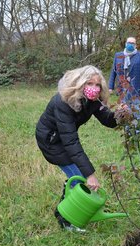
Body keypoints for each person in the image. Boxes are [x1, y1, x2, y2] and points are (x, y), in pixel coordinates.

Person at [35, 65, 123, 232]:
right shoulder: (63, 101)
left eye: (98, 85)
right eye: (90, 83)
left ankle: (63, 209)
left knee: (77, 176)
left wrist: (120, 115)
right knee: (79, 176)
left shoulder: (92, 100)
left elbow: (107, 120)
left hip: (64, 138)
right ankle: (66, 219)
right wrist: (90, 175)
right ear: (80, 83)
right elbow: (71, 142)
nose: (94, 89)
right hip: (52, 141)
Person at [108, 36, 140, 103]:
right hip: (122, 90)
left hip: (136, 91)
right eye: (129, 43)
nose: (130, 44)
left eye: (132, 43)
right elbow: (113, 71)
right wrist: (110, 87)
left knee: (137, 112)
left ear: (135, 45)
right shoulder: (118, 55)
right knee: (124, 112)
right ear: (126, 44)